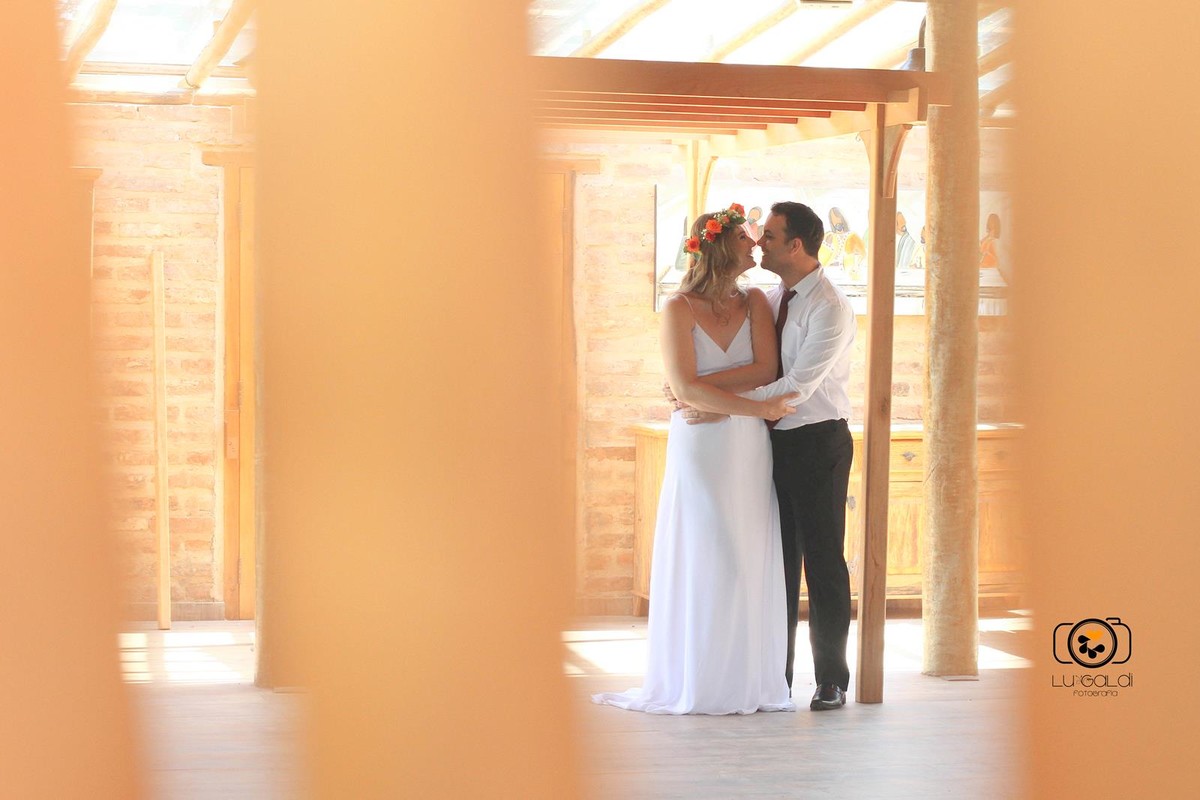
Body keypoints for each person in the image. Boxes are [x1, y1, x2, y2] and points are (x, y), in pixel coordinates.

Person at [592, 204, 798, 715]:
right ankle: (699, 679)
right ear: (718, 245)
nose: (755, 246)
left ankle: (744, 680)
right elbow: (686, 388)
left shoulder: (754, 300)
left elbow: (764, 367)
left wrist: (706, 395)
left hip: (746, 446)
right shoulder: (678, 307)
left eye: (759, 239)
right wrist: (742, 403)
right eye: (746, 240)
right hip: (702, 448)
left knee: (746, 554)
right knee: (711, 550)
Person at [750, 201, 856, 711]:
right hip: (770, 441)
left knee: (823, 561)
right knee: (778, 561)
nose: (759, 243)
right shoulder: (773, 298)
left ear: (796, 245)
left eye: (768, 236)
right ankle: (778, 677)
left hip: (818, 441)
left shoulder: (829, 306)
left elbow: (796, 386)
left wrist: (715, 402)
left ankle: (831, 679)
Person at [818, 206, 867, 280]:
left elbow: (862, 254)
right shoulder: (829, 236)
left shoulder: (853, 236)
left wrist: (855, 266)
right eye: (833, 220)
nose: (837, 224)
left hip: (849, 274)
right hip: (830, 273)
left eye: (838, 220)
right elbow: (821, 257)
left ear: (843, 219)